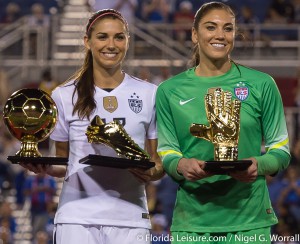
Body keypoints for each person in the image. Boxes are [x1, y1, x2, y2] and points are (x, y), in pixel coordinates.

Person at [20, 9, 164, 244]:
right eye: (103, 36)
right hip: (77, 217)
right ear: (87, 41)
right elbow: (64, 163)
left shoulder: (150, 94)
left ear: (127, 41)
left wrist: (151, 172)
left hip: (130, 216)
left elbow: (157, 163)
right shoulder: (64, 95)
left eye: (119, 37)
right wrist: (44, 167)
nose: (111, 44)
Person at [155, 2, 290, 244]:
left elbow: (280, 149)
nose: (220, 35)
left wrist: (258, 164)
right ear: (195, 34)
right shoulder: (169, 90)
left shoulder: (262, 84)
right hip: (192, 224)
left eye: (228, 29)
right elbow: (167, 150)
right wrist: (181, 164)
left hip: (250, 221)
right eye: (211, 27)